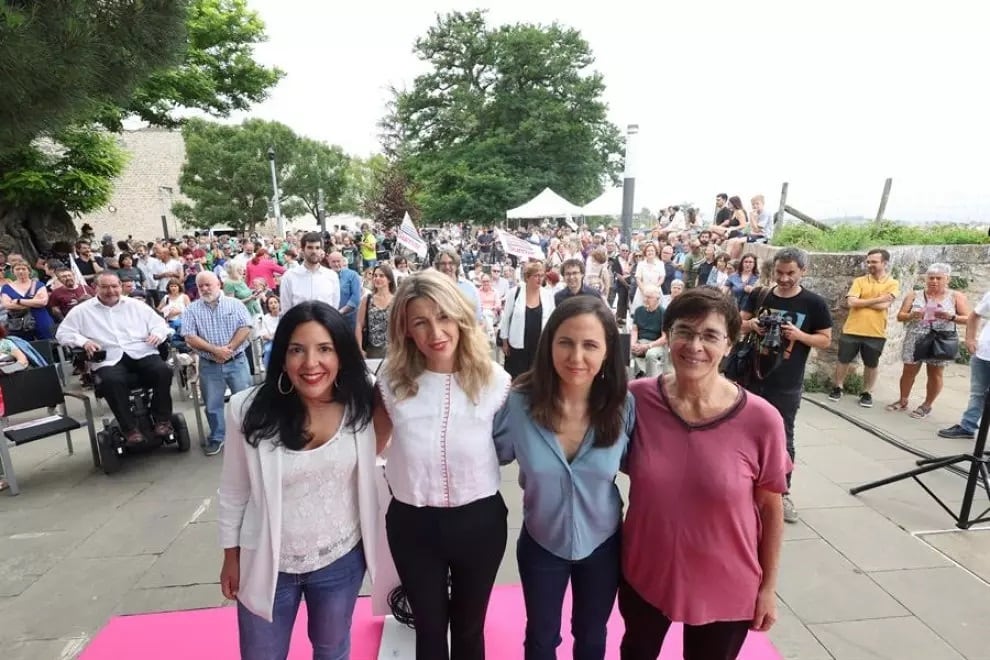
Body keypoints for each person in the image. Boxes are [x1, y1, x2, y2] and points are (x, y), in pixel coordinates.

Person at [622, 288, 789, 660]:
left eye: (710, 335)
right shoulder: (636, 401)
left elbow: (770, 508)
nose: (694, 345)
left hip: (726, 581)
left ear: (729, 344)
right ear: (669, 334)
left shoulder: (762, 420)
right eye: (684, 331)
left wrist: (768, 588)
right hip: (645, 572)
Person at [219, 302, 378, 660]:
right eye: (297, 350)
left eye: (324, 349)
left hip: (340, 557)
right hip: (267, 561)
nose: (310, 363)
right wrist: (231, 556)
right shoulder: (246, 410)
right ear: (282, 355)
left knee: (332, 649)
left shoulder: (362, 401)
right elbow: (233, 491)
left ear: (341, 354)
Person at [373, 270, 511, 660]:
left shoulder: (496, 382)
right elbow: (369, 446)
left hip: (480, 522)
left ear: (461, 317)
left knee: (469, 629)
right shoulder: (391, 382)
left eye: (444, 316)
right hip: (413, 523)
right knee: (429, 631)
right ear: (407, 330)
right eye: (421, 321)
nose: (435, 331)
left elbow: (514, 447)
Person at [493, 296, 634, 660]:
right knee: (541, 639)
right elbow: (487, 454)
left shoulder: (623, 404)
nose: (576, 357)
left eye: (590, 345)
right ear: (549, 343)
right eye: (566, 342)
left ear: (607, 352)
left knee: (591, 635)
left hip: (603, 544)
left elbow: (646, 467)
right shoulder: (518, 402)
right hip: (542, 542)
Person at [740, 248, 832, 524]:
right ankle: (745, 486)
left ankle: (781, 492)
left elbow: (825, 339)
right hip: (751, 375)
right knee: (743, 432)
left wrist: (800, 335)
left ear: (803, 271)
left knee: (782, 436)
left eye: (790, 273)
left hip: (786, 381)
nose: (784, 278)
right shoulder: (759, 295)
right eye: (779, 272)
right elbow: (735, 323)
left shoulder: (814, 303)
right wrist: (752, 324)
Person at [55, 272, 174, 444]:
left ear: (120, 286)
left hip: (140, 350)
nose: (110, 291)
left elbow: (160, 324)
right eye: (105, 287)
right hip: (109, 357)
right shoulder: (82, 311)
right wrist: (84, 341)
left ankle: (162, 419)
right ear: (96, 288)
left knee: (163, 370)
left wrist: (157, 333)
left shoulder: (136, 305)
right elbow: (63, 333)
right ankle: (129, 428)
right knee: (111, 380)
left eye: (114, 286)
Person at [181, 272, 255, 456]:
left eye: (208, 285)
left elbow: (245, 327)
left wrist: (228, 349)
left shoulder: (235, 304)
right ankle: (217, 436)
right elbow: (189, 336)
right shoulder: (192, 309)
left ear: (219, 284)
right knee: (213, 404)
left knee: (244, 401)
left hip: (236, 360)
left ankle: (248, 434)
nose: (205, 289)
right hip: (209, 364)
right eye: (201, 286)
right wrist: (215, 351)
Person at [890, 263, 970, 419]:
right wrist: (912, 315)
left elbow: (968, 319)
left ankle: (926, 405)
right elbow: (900, 316)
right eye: (931, 278)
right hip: (916, 336)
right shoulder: (914, 295)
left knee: (935, 372)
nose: (934, 281)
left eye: (938, 278)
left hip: (940, 338)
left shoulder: (955, 296)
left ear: (947, 279)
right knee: (909, 370)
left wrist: (950, 317)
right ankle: (903, 399)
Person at [829, 249, 900, 408]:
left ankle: (867, 392)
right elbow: (851, 303)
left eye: (874, 262)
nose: (870, 265)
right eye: (868, 262)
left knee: (871, 364)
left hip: (875, 331)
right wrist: (878, 299)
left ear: (884, 263)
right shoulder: (860, 281)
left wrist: (864, 300)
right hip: (852, 329)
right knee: (843, 360)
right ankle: (838, 387)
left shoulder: (892, 283)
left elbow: (885, 305)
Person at [939, 288, 990, 439]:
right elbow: (974, 315)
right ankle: (967, 426)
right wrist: (970, 339)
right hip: (983, 353)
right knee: (977, 393)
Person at [500, 261, 556, 379]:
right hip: (517, 345)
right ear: (527, 277)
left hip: (538, 345)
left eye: (542, 275)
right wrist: (505, 342)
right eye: (536, 276)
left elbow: (552, 321)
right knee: (516, 378)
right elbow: (506, 318)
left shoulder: (547, 295)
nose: (539, 279)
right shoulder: (515, 293)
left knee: (536, 377)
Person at [279, 232, 341, 313]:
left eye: (317, 248)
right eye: (310, 247)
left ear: (322, 250)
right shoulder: (289, 277)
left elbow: (334, 308)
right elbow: (286, 309)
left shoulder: (331, 276)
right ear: (302, 250)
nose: (314, 251)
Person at [1, 262, 56, 340]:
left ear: (29, 271)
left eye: (23, 269)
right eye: (17, 269)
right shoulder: (6, 288)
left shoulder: (39, 285)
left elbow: (43, 302)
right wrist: (34, 302)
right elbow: (7, 305)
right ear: (13, 271)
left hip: (40, 318)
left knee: (48, 343)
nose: (21, 271)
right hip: (19, 322)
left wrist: (19, 301)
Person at [355, 263, 395, 360]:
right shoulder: (367, 299)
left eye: (381, 276)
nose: (377, 278)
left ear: (389, 279)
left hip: (393, 349)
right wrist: (359, 348)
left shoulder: (396, 300)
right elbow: (359, 325)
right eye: (375, 276)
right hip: (373, 349)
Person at [631, 286, 667, 378]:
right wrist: (633, 343)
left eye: (649, 297)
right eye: (644, 296)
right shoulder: (638, 310)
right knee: (624, 350)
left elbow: (665, 338)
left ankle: (651, 382)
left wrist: (648, 346)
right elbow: (635, 330)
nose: (645, 299)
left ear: (657, 299)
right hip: (641, 341)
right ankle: (625, 381)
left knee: (650, 354)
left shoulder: (663, 313)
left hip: (656, 344)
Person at [257, 295, 281, 368]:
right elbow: (264, 335)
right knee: (269, 350)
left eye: (275, 302)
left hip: (283, 340)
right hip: (271, 342)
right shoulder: (265, 318)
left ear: (279, 304)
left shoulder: (284, 316)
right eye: (271, 303)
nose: (273, 305)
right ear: (268, 306)